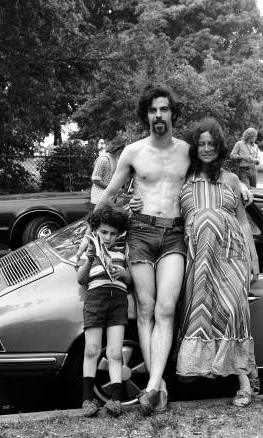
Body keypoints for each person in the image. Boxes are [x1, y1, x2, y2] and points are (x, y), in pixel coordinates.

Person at [95, 84, 190, 416]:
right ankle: (158, 387)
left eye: (164, 109)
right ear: (146, 115)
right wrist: (94, 227)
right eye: (152, 110)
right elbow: (108, 196)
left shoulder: (187, 151)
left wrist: (241, 188)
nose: (158, 115)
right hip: (141, 234)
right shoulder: (134, 152)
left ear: (172, 113)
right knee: (146, 308)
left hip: (174, 234)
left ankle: (150, 387)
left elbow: (214, 174)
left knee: (166, 309)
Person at [176, 117, 259, 407]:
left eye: (212, 144)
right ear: (194, 147)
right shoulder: (183, 178)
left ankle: (244, 382)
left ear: (220, 147)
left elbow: (243, 222)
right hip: (198, 259)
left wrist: (253, 258)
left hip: (231, 256)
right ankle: (198, 368)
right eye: (201, 144)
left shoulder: (232, 180)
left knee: (234, 312)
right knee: (201, 315)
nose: (207, 148)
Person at [76, 205, 131, 417]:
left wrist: (124, 273)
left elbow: (131, 281)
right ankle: (87, 400)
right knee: (91, 349)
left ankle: (116, 399)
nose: (108, 237)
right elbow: (80, 279)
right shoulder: (90, 250)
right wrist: (90, 259)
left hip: (118, 302)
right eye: (104, 232)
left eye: (113, 233)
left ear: (119, 234)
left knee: (115, 352)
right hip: (95, 300)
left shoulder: (121, 251)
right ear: (96, 231)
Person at [90, 136, 126, 205]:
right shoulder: (103, 159)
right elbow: (95, 179)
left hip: (111, 199)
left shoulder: (117, 159)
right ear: (118, 148)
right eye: (123, 149)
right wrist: (112, 189)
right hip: (99, 199)